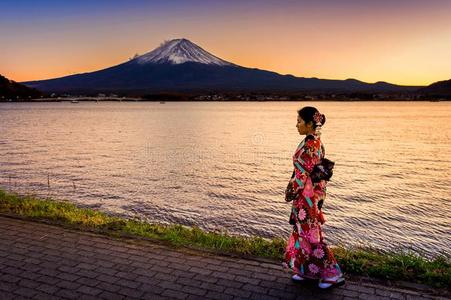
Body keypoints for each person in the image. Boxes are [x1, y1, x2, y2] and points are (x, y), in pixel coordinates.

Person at [283, 106, 345, 289]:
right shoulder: (315, 141)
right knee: (303, 233)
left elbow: (301, 176)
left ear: (310, 124)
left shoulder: (310, 145)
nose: (296, 125)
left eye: (300, 122)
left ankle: (333, 274)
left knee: (312, 236)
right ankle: (308, 271)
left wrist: (290, 192)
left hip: (307, 197)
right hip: (312, 195)